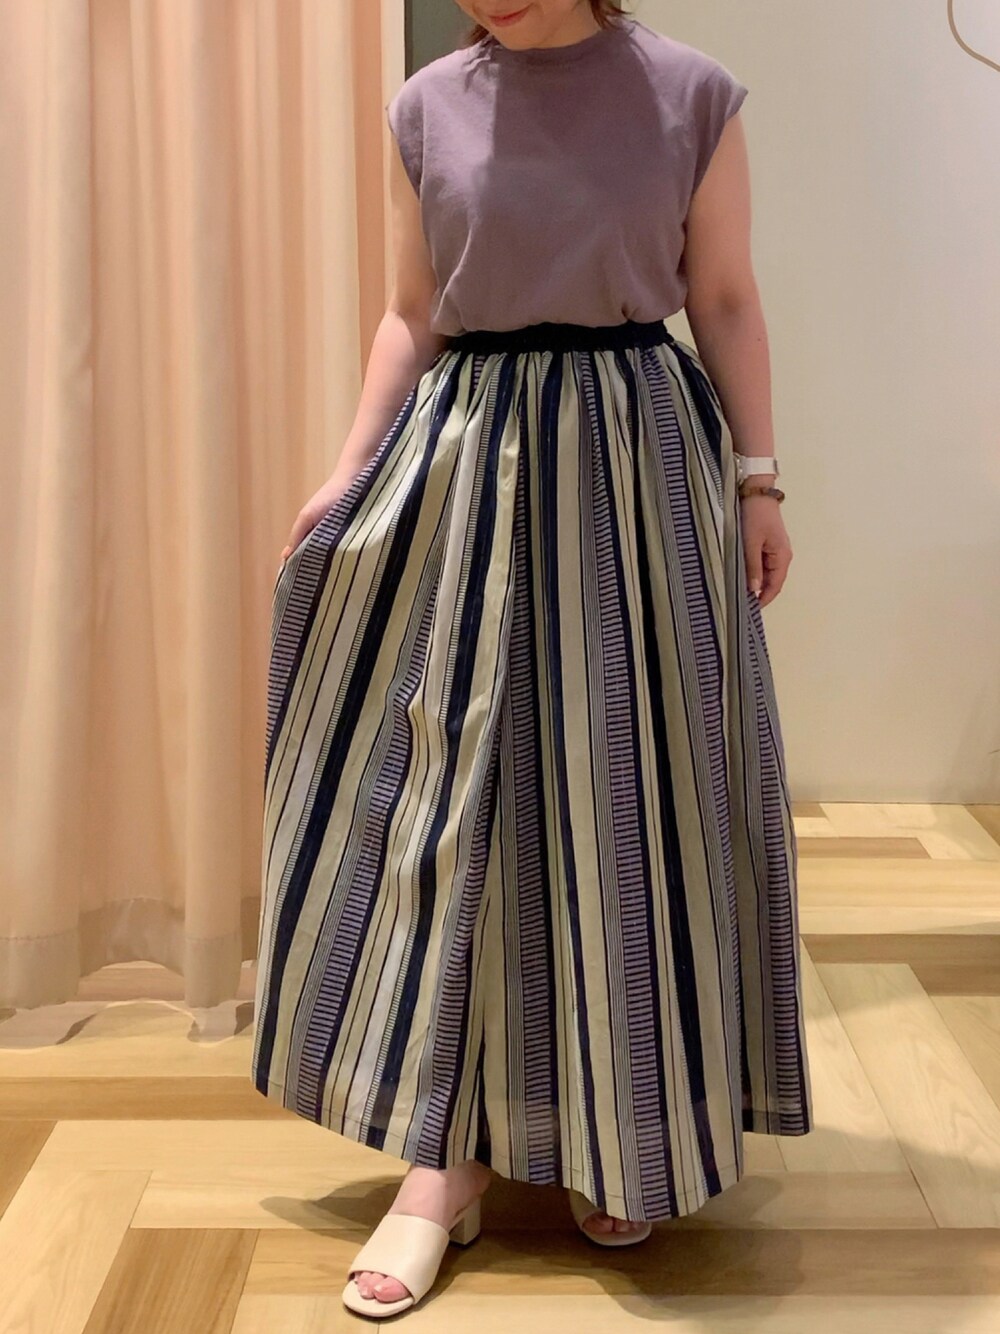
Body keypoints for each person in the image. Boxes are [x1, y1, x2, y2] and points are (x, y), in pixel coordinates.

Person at [251, 0, 813, 1320]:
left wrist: (761, 480)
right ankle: (440, 1160)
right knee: (448, 806)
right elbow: (412, 316)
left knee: (629, 802)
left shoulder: (690, 93)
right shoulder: (427, 104)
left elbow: (726, 297)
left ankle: (622, 1128)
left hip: (635, 461)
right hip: (468, 463)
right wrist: (345, 471)